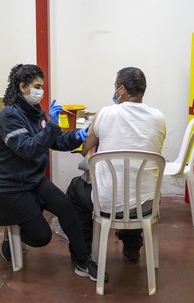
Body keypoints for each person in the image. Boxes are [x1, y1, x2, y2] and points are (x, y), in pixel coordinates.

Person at [0, 63, 105, 282]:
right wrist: (50, 125)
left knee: (67, 208)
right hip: (10, 187)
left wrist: (78, 135)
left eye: (42, 85)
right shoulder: (9, 117)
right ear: (23, 87)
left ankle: (83, 261)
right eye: (37, 86)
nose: (41, 90)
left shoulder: (35, 113)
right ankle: (11, 236)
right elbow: (28, 149)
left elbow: (56, 140)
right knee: (41, 237)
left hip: (33, 180)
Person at [67, 67, 166, 261]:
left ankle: (84, 252)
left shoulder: (104, 114)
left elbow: (85, 149)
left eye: (115, 87)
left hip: (107, 205)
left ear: (121, 90)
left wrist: (95, 147)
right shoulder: (158, 118)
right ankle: (132, 244)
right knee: (132, 183)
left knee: (76, 189)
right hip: (147, 204)